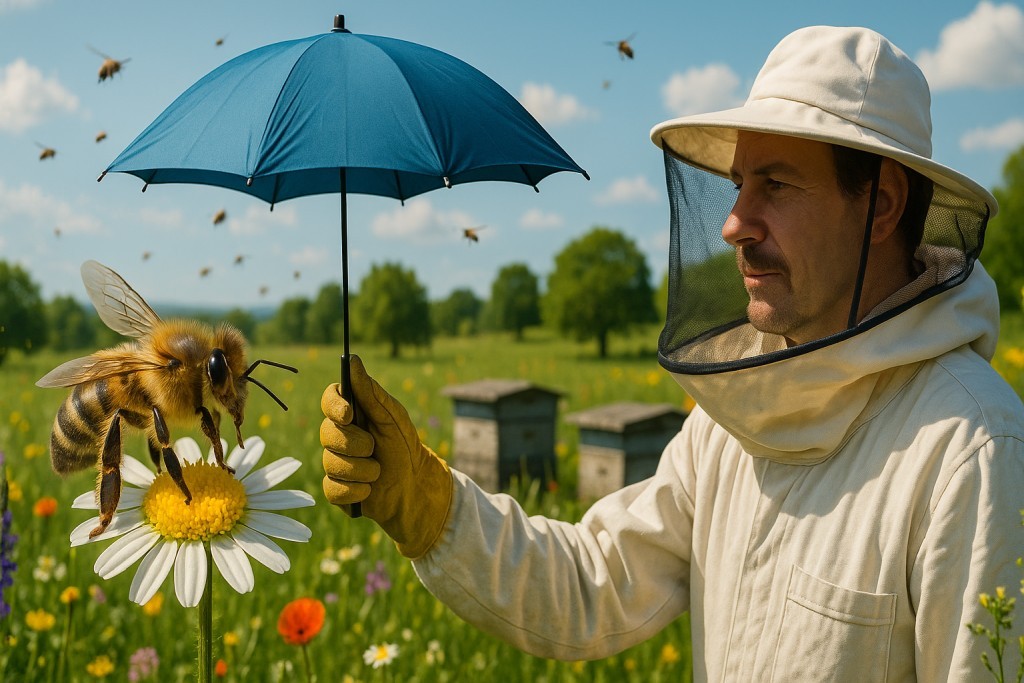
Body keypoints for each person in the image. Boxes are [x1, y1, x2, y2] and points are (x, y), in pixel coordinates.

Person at [319, 26, 1024, 680]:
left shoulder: (970, 449)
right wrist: (427, 504)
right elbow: (594, 584)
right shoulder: (732, 419)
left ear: (885, 203)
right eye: (738, 185)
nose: (733, 224)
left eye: (775, 185)